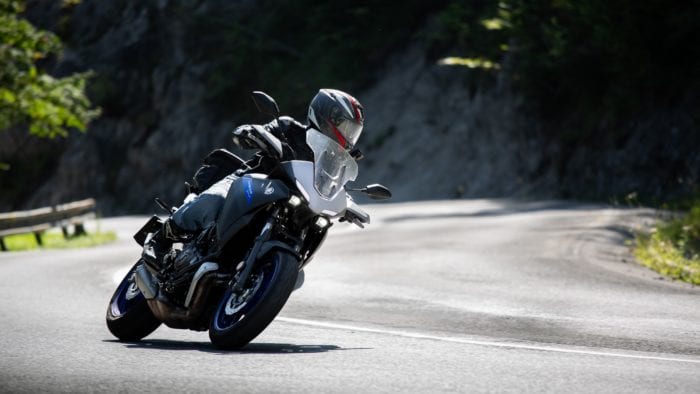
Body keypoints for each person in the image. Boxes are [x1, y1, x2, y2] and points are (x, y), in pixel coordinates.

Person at [163, 88, 365, 240]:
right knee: (214, 199)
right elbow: (262, 130)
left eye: (352, 132)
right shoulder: (289, 128)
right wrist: (251, 133)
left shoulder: (332, 159)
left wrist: (347, 204)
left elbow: (333, 184)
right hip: (249, 184)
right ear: (325, 115)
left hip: (289, 204)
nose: (348, 136)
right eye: (345, 127)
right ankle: (168, 232)